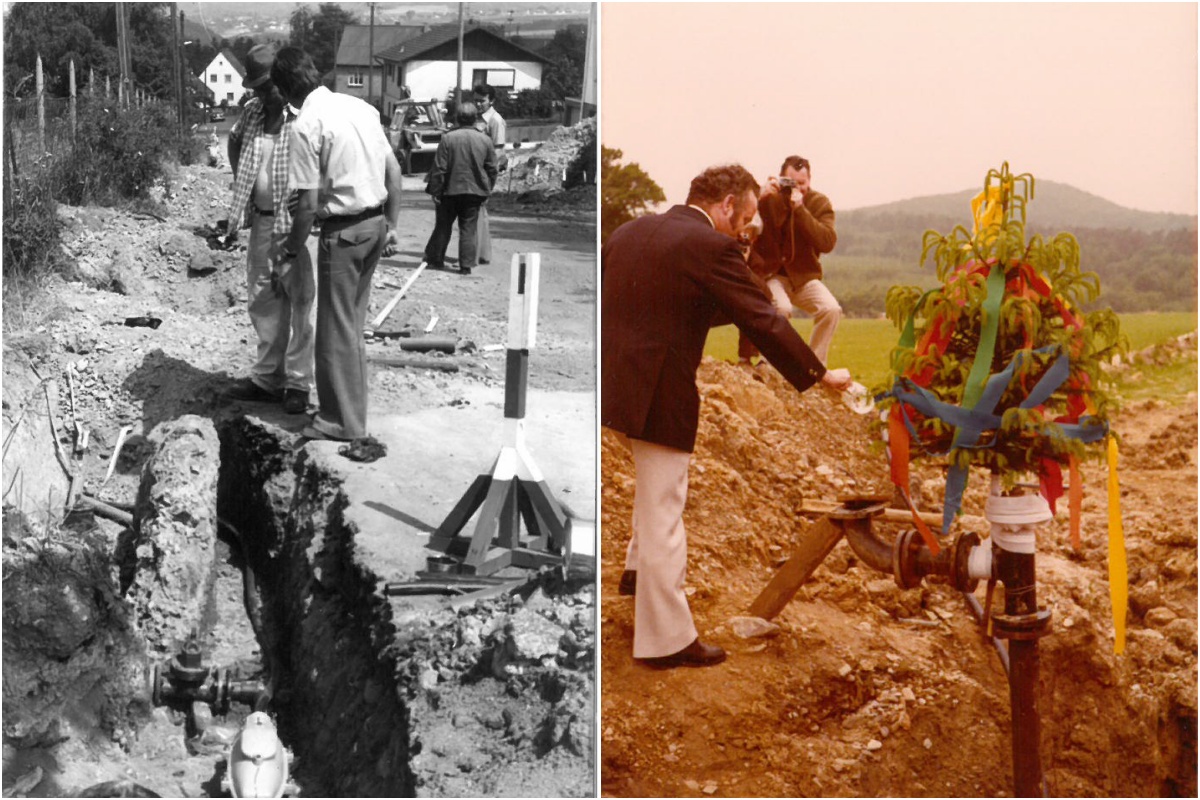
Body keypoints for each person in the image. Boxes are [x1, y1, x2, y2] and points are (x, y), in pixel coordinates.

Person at [602, 164, 852, 669]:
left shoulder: (630, 231)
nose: (748, 228)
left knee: (652, 494)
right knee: (665, 510)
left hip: (612, 385)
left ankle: (634, 573)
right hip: (658, 391)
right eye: (747, 217)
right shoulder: (711, 247)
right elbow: (761, 317)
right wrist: (818, 373)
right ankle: (665, 639)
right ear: (725, 206)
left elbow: (678, 301)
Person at [270, 46, 403, 442]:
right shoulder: (359, 107)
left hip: (343, 233)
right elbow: (393, 172)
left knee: (334, 330)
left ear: (284, 90)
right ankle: (352, 415)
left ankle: (339, 422)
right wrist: (391, 225)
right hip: (374, 224)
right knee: (351, 326)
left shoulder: (306, 125)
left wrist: (290, 250)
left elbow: (308, 205)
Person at [222, 44, 315, 416]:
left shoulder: (305, 116)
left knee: (300, 302)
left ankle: (297, 383)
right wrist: (243, 183)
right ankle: (267, 378)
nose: (261, 94)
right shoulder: (253, 112)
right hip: (262, 220)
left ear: (281, 81)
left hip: (295, 224)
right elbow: (234, 143)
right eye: (257, 88)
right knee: (263, 299)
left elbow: (323, 160)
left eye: (266, 87)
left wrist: (312, 197)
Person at [739, 155, 841, 366]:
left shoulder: (819, 203)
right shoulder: (768, 198)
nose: (798, 188)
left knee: (831, 309)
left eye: (802, 183)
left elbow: (827, 242)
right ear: (781, 180)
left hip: (804, 276)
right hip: (773, 274)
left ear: (810, 181)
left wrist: (801, 210)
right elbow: (746, 227)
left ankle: (814, 367)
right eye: (791, 183)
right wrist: (759, 197)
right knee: (782, 309)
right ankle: (769, 363)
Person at [422, 102, 497, 276]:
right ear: (475, 119)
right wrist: (488, 190)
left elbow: (439, 167)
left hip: (449, 191)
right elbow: (492, 168)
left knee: (443, 226)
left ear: (457, 118)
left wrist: (436, 191)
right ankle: (466, 265)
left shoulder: (448, 138)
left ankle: (436, 259)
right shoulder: (485, 140)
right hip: (474, 191)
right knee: (468, 228)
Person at [472, 83, 506, 265]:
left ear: (491, 101)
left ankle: (478, 253)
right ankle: (482, 253)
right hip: (474, 172)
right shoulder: (475, 119)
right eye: (475, 101)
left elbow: (498, 151)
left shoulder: (495, 121)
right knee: (478, 213)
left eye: (482, 101)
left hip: (484, 172)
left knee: (477, 212)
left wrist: (489, 178)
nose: (478, 105)